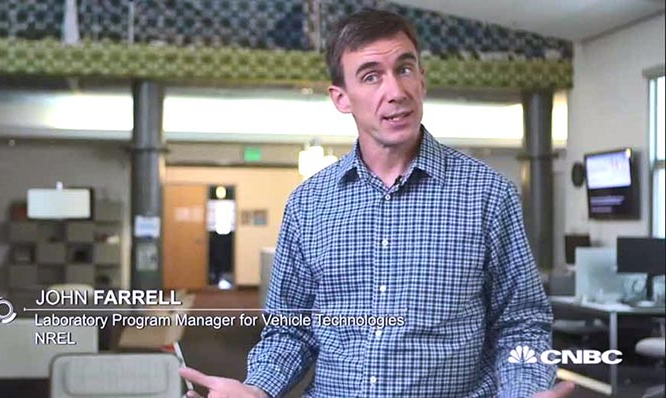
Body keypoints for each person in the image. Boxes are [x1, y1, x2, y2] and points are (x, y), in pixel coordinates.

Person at [180, 8, 575, 398]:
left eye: (404, 69)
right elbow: (290, 329)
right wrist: (258, 389)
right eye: (371, 77)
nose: (395, 91)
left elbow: (521, 322)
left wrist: (523, 390)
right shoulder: (308, 204)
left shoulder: (488, 194)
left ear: (422, 79)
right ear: (341, 98)